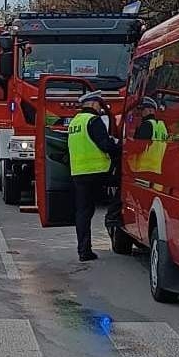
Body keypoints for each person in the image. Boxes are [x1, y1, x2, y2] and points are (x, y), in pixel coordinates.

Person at [67, 91, 121, 262]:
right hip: (98, 172)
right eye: (99, 104)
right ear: (92, 104)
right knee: (123, 187)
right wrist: (119, 147)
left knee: (83, 212)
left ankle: (84, 251)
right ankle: (112, 218)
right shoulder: (93, 121)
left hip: (78, 174)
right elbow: (105, 145)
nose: (100, 108)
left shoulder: (74, 122)